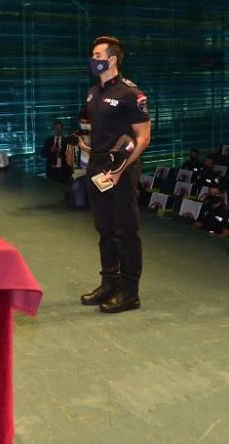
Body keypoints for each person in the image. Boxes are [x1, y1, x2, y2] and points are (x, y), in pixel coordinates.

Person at [80, 36, 151, 314]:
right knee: (104, 229)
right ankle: (110, 283)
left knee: (126, 230)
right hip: (96, 167)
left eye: (97, 54)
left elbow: (143, 137)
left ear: (111, 59)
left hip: (120, 169)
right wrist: (88, 146)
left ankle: (130, 292)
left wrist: (120, 170)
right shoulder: (92, 92)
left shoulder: (131, 93)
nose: (92, 59)